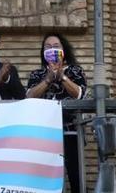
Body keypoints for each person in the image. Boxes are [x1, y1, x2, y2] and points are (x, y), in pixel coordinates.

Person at [26, 33, 87, 193]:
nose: (52, 49)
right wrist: (47, 79)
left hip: (71, 131)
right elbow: (30, 96)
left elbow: (79, 94)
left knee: (76, 177)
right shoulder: (37, 74)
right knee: (45, 179)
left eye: (56, 46)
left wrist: (62, 77)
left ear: (63, 49)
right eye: (48, 47)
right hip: (44, 134)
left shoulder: (75, 71)